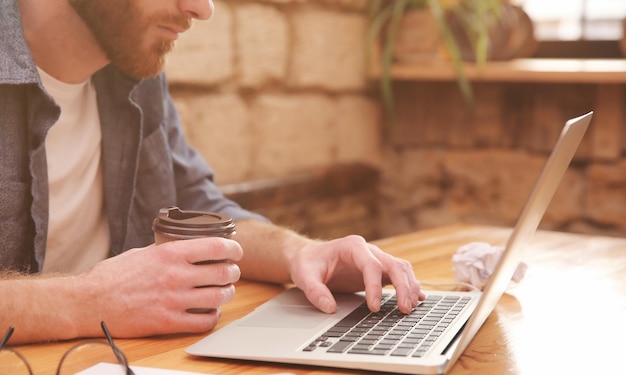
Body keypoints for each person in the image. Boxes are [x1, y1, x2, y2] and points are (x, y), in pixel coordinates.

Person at [0, 0, 425, 345]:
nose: (202, 9)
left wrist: (299, 254)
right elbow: (100, 301)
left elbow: (200, 209)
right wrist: (91, 301)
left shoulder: (136, 76)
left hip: (118, 374)